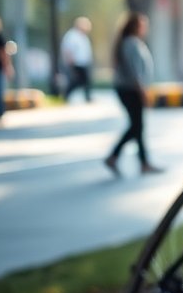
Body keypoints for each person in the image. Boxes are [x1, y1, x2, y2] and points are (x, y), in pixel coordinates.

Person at [105, 12, 162, 176]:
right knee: (136, 126)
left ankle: (139, 162)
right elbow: (134, 71)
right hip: (130, 90)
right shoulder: (130, 43)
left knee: (137, 126)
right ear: (136, 26)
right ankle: (120, 157)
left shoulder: (132, 42)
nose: (145, 28)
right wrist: (142, 91)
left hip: (130, 89)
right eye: (143, 24)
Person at [59, 16, 94, 102]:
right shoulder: (72, 35)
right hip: (76, 63)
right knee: (77, 81)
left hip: (83, 63)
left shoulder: (83, 36)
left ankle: (87, 97)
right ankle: (66, 95)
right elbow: (68, 49)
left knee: (85, 81)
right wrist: (70, 61)